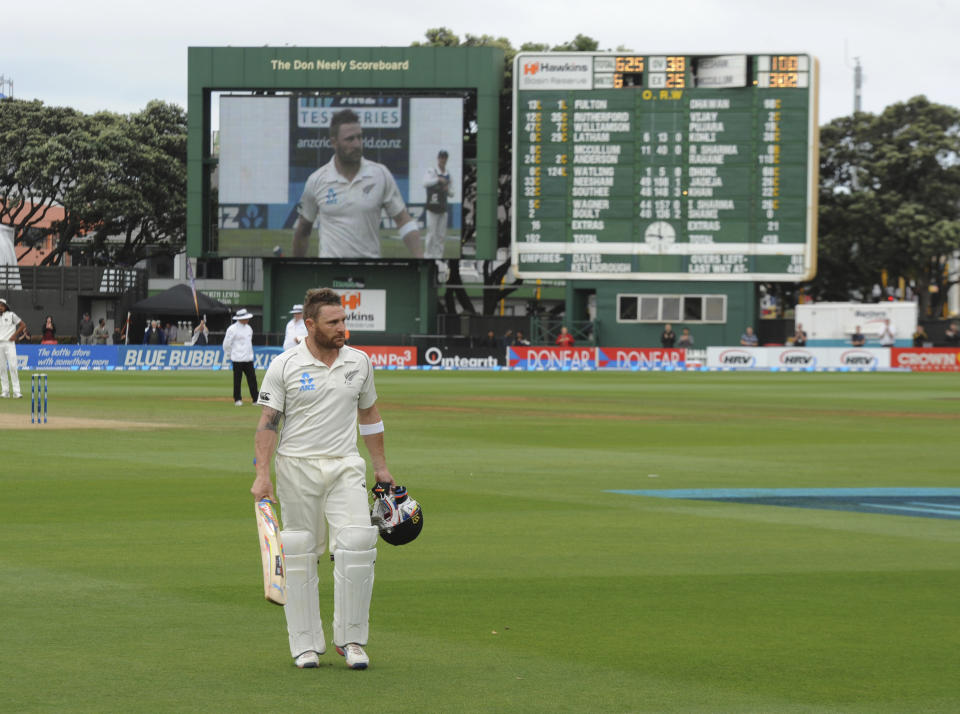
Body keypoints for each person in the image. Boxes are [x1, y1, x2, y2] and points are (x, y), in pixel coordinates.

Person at [251, 287, 395, 670]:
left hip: (346, 465)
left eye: (344, 320)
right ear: (310, 324)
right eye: (333, 322)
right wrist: (261, 475)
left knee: (359, 545)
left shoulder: (359, 363)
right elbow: (268, 425)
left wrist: (380, 467)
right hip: (296, 467)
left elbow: (370, 415)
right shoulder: (284, 365)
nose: (342, 328)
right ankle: (305, 644)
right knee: (299, 552)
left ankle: (351, 641)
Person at [292, 109, 423, 259]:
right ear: (334, 142)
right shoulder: (316, 180)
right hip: (329, 273)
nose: (357, 144)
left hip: (370, 272)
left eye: (360, 137)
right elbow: (303, 229)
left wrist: (421, 260)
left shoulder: (380, 174)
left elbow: (402, 219)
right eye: (350, 139)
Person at [223, 308, 258, 406]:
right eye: (245, 318)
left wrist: (250, 355)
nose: (247, 320)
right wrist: (231, 354)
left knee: (252, 379)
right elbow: (226, 344)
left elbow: (249, 343)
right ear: (240, 319)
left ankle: (255, 399)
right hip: (237, 359)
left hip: (248, 359)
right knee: (237, 380)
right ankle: (237, 399)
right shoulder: (232, 329)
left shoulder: (249, 328)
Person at [423, 149, 453, 259]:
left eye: (445, 158)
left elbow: (452, 193)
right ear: (438, 158)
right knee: (431, 233)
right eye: (441, 157)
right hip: (432, 206)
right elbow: (425, 183)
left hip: (443, 207)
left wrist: (448, 190)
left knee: (441, 235)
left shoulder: (448, 174)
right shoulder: (432, 171)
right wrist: (438, 180)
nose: (443, 160)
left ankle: (438, 255)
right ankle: (428, 255)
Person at [0, 298, 27, 398]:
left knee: (13, 367)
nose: (0, 307)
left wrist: (15, 335)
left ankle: (17, 391)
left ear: (5, 307)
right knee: (1, 368)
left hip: (9, 344)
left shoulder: (11, 315)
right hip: (0, 344)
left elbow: (23, 325)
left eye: (2, 306)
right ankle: (5, 391)